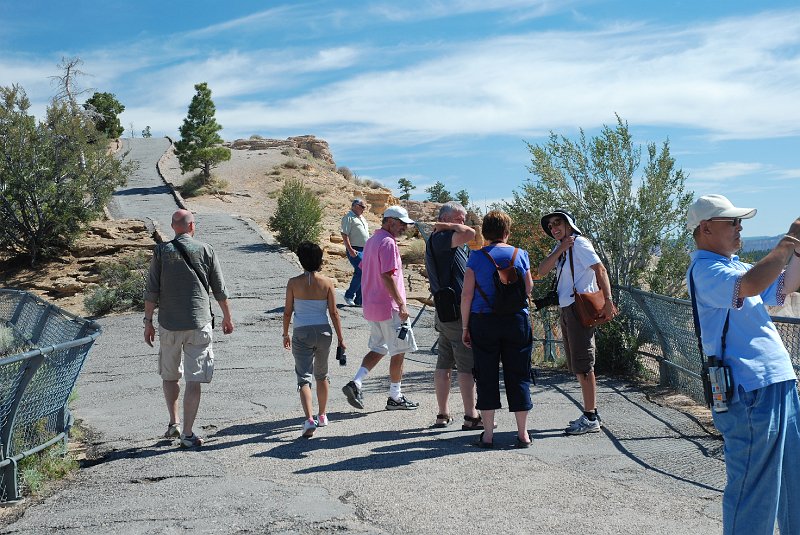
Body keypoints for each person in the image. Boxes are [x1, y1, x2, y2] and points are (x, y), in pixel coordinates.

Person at [685, 194, 800, 534]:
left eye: (740, 223)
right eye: (731, 222)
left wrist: (797, 251)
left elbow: (783, 289)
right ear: (706, 228)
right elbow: (751, 286)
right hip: (749, 391)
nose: (739, 229)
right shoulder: (705, 269)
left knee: (791, 480)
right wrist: (788, 241)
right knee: (755, 489)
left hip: (774, 382)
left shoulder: (731, 266)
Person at [144, 209, 235, 448]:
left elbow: (151, 290)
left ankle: (173, 423)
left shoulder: (161, 252)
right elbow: (219, 289)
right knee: (194, 380)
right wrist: (227, 317)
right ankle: (186, 433)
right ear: (192, 226)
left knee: (170, 374)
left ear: (174, 227)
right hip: (198, 323)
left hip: (168, 324)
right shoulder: (206, 250)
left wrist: (148, 322)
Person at [538, 210, 615, 435]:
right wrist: (560, 248)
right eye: (551, 226)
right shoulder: (563, 246)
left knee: (584, 363)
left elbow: (600, 269)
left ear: (569, 224)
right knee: (578, 364)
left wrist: (608, 299)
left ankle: (591, 417)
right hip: (568, 308)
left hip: (578, 309)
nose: (554, 228)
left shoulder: (579, 243)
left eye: (558, 223)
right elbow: (542, 271)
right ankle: (591, 412)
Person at [461, 210, 534, 448]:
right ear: (506, 232)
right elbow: (528, 288)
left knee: (486, 375)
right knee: (519, 374)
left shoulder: (476, 257)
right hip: (515, 321)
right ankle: (523, 434)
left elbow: (467, 294)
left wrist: (465, 326)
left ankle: (489, 434)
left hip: (483, 321)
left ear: (485, 232)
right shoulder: (520, 254)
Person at [342, 205, 419, 411]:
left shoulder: (372, 241)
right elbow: (387, 275)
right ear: (391, 221)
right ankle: (395, 396)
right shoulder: (387, 243)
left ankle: (356, 382)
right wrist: (402, 304)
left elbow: (364, 269)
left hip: (373, 307)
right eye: (402, 223)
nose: (404, 227)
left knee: (379, 347)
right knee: (399, 351)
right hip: (390, 307)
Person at [424, 201, 484, 430]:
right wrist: (445, 225)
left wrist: (447, 225)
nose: (463, 223)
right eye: (459, 218)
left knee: (444, 364)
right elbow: (471, 234)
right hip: (457, 315)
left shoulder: (442, 241)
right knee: (466, 367)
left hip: (446, 312)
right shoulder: (441, 240)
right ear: (447, 218)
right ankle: (471, 416)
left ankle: (443, 414)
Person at [282, 242, 346, 437]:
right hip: (324, 332)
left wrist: (285, 333)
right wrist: (341, 339)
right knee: (322, 374)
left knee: (304, 377)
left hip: (302, 332)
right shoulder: (327, 283)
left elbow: (287, 311)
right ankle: (323, 415)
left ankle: (309, 419)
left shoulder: (293, 283)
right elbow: (334, 313)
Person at [341, 198, 369, 306]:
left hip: (365, 250)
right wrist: (350, 249)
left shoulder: (362, 218)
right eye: (363, 207)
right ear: (356, 206)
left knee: (364, 272)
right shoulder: (349, 217)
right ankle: (349, 295)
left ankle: (359, 300)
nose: (364, 209)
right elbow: (344, 235)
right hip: (355, 249)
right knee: (362, 270)